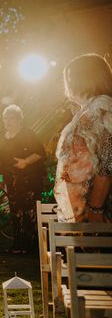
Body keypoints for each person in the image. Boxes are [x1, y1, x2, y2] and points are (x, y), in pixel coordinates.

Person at [55, 53, 112, 223]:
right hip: (83, 210)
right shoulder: (90, 108)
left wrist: (95, 208)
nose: (67, 85)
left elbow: (107, 161)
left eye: (69, 77)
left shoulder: (100, 107)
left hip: (94, 213)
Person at [0, 104, 46, 253]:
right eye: (5, 118)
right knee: (15, 211)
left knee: (29, 211)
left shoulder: (27, 134)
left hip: (29, 178)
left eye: (12, 118)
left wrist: (25, 162)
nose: (8, 121)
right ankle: (18, 245)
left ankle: (31, 246)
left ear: (19, 119)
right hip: (11, 179)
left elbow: (40, 153)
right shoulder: (1, 136)